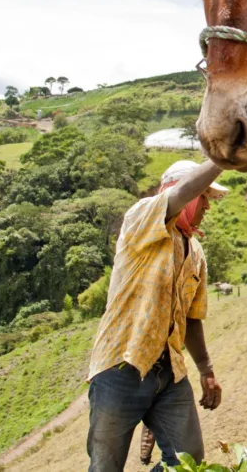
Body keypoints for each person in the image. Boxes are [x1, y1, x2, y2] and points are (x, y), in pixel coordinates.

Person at [86, 160, 229, 471]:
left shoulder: (196, 253)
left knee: (188, 462)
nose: (207, 206)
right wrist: (222, 159)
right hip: (120, 367)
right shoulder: (143, 217)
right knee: (105, 466)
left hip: (169, 374)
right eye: (204, 197)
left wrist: (206, 370)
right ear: (188, 195)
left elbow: (192, 318)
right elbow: (180, 193)